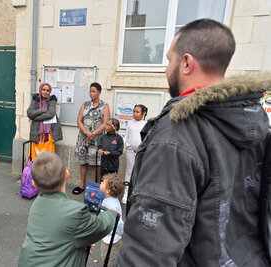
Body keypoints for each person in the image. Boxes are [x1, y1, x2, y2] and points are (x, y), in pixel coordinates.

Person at [116, 19, 271, 266]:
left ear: (186, 63)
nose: (166, 69)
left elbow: (150, 250)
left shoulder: (177, 133)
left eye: (169, 60)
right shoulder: (255, 118)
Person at [18, 152, 118, 266]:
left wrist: (82, 241)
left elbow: (56, 237)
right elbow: (101, 226)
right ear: (66, 174)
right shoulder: (75, 213)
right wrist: (111, 213)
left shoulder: (37, 203)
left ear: (34, 184)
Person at [73, 82, 110, 194]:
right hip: (83, 138)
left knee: (96, 163)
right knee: (83, 161)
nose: (91, 94)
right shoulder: (85, 104)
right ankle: (82, 185)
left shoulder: (105, 106)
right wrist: (86, 132)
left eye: (94, 91)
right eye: (90, 91)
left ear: (99, 92)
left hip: (97, 139)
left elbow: (105, 123)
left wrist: (93, 134)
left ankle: (96, 187)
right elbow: (79, 120)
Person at [26, 82, 62, 160]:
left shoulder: (51, 101)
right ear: (40, 90)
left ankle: (47, 172)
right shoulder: (36, 100)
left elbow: (51, 114)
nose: (45, 92)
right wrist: (43, 110)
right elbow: (29, 113)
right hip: (36, 133)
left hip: (48, 134)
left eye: (47, 90)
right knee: (35, 156)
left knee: (47, 156)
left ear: (49, 92)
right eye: (43, 90)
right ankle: (35, 171)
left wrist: (35, 117)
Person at [122, 104, 147, 204]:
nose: (134, 114)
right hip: (130, 151)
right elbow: (126, 135)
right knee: (129, 172)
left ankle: (136, 194)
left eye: (137, 112)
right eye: (134, 111)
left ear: (143, 113)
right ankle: (126, 194)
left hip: (141, 152)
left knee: (140, 172)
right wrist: (126, 145)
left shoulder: (146, 124)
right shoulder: (130, 123)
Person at [99, 173, 124, 267]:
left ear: (108, 190)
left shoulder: (112, 205)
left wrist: (122, 233)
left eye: (103, 182)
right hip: (108, 236)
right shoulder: (109, 199)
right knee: (106, 257)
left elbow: (119, 222)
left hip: (111, 239)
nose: (101, 183)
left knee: (109, 261)